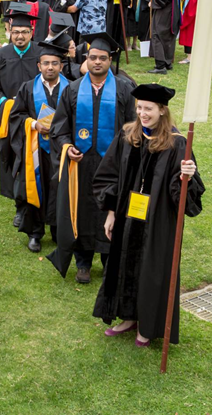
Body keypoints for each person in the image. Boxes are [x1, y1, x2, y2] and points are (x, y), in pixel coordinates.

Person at [91, 83, 204, 347]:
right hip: (127, 215)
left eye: (149, 109)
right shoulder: (128, 135)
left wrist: (187, 175)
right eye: (139, 107)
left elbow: (185, 195)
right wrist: (111, 214)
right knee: (124, 263)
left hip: (158, 220)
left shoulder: (177, 143)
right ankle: (128, 317)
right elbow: (110, 175)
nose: (142, 113)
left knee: (151, 270)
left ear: (162, 110)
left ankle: (148, 325)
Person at [48, 32, 136, 284]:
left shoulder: (124, 89)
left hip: (114, 165)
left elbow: (133, 125)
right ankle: (83, 263)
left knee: (112, 207)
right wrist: (67, 145)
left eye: (103, 58)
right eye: (93, 58)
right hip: (82, 163)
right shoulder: (73, 90)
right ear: (86, 59)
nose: (97, 62)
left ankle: (110, 263)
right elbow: (59, 127)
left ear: (110, 60)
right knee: (83, 211)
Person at [7, 32, 70, 252]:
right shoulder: (27, 88)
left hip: (61, 149)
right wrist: (34, 125)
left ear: (61, 66)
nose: (50, 67)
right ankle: (35, 232)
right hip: (35, 149)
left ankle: (56, 230)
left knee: (59, 189)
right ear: (38, 65)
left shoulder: (71, 89)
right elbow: (16, 116)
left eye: (54, 63)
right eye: (46, 63)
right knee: (34, 187)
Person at [0, 9, 41, 222]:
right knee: (14, 162)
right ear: (9, 32)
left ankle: (35, 203)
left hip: (35, 120)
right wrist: (6, 103)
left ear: (31, 32)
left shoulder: (40, 54)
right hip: (10, 118)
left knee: (35, 161)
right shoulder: (1, 55)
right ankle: (19, 206)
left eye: (24, 32)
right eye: (15, 32)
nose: (20, 36)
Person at [147, 0, 182, 74]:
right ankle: (167, 62)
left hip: (164, 15)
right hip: (171, 15)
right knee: (167, 39)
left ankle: (160, 65)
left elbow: (162, 0)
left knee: (158, 37)